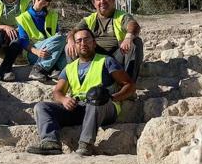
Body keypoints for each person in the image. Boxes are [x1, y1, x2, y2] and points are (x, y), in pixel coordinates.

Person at [27, 28, 135, 156]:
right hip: (78, 108)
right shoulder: (69, 68)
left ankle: (85, 144)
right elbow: (57, 92)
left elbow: (129, 85)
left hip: (103, 108)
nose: (83, 43)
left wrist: (113, 98)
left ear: (94, 43)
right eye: (78, 41)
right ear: (75, 46)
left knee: (97, 95)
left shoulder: (106, 61)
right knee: (42, 107)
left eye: (86, 39)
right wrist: (64, 99)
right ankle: (51, 142)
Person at [66, 0, 143, 81]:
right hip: (93, 59)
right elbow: (73, 31)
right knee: (69, 46)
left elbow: (133, 25)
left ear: (113, 0)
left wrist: (128, 38)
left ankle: (128, 85)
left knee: (136, 42)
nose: (102, 1)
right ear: (94, 3)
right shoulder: (89, 19)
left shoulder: (121, 16)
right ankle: (77, 80)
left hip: (117, 59)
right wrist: (70, 40)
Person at [16, 0, 66, 82]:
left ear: (48, 3)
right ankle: (38, 69)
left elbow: (56, 38)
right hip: (34, 52)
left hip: (49, 51)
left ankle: (53, 69)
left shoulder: (52, 15)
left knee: (66, 44)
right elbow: (23, 41)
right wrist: (37, 52)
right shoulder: (23, 17)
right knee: (61, 38)